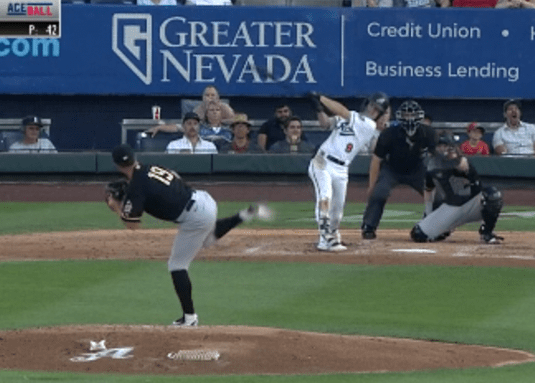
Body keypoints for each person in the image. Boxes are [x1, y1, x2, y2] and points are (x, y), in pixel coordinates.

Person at [105, 143, 273, 327]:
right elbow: (175, 177)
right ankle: (245, 214)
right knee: (207, 240)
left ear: (116, 166)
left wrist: (117, 207)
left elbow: (132, 226)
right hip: (203, 199)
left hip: (195, 216)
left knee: (177, 265)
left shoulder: (137, 187)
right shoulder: (150, 168)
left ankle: (190, 318)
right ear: (134, 158)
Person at [307, 92, 389, 251]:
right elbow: (325, 124)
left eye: (377, 109)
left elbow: (343, 112)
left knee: (337, 211)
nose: (373, 110)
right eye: (372, 105)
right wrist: (318, 109)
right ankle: (326, 237)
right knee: (325, 197)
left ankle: (331, 234)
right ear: (367, 103)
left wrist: (321, 98)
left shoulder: (368, 125)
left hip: (342, 169)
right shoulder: (349, 118)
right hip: (322, 161)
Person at [361, 99, 439, 240]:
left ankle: (433, 226)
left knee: (436, 195)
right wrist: (372, 186)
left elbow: (437, 158)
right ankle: (369, 226)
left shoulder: (428, 133)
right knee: (379, 193)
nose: (409, 118)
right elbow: (376, 160)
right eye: (406, 115)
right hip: (392, 169)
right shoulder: (389, 133)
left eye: (412, 115)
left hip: (417, 169)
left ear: (419, 116)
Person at [409, 133, 504, 244]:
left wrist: (450, 158)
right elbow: (429, 190)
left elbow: (462, 165)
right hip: (452, 207)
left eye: (447, 146)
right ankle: (444, 229)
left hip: (473, 204)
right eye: (441, 146)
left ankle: (486, 233)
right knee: (418, 234)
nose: (445, 149)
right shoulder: (431, 168)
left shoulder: (461, 161)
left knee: (493, 196)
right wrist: (428, 212)